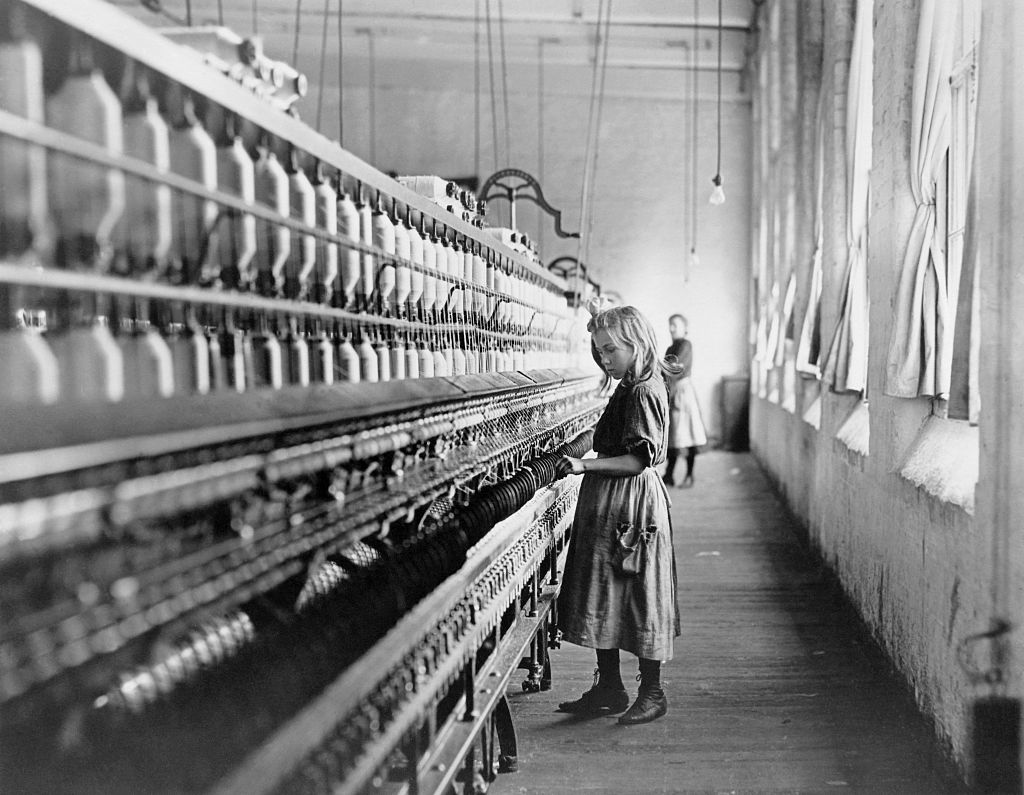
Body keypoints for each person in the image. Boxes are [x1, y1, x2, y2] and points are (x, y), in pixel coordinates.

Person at [554, 304, 681, 726]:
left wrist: (582, 465)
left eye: (611, 350)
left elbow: (637, 460)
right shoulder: (629, 385)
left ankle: (653, 691)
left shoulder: (644, 389)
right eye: (598, 351)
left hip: (630, 501)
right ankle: (609, 686)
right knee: (603, 589)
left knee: (639, 592)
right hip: (611, 501)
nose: (604, 359)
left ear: (636, 343)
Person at [663, 314, 707, 487]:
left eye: (675, 325)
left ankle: (689, 475)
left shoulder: (685, 345)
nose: (672, 328)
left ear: (685, 328)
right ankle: (669, 474)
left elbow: (675, 368)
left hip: (683, 393)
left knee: (688, 435)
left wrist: (661, 371)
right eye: (670, 325)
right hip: (673, 392)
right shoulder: (670, 348)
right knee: (674, 435)